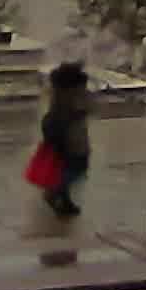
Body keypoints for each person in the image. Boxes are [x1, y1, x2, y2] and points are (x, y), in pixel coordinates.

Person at [36, 62, 92, 220]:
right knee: (75, 167)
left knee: (64, 165)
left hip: (61, 131)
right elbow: (79, 111)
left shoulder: (60, 92)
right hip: (67, 133)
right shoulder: (68, 97)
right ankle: (54, 192)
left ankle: (64, 200)